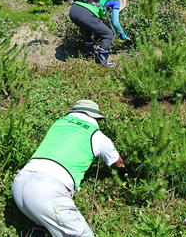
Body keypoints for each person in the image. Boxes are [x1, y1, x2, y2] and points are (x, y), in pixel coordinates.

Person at [12, 99, 126, 237]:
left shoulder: (58, 123)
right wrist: (126, 175)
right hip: (47, 189)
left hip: (20, 184)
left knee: (46, 221)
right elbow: (118, 163)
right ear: (95, 118)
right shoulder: (97, 136)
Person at [70, 0, 128, 67]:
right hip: (86, 14)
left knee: (89, 30)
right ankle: (103, 62)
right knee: (108, 34)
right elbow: (115, 22)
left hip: (74, 10)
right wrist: (122, 33)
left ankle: (90, 54)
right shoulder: (115, 0)